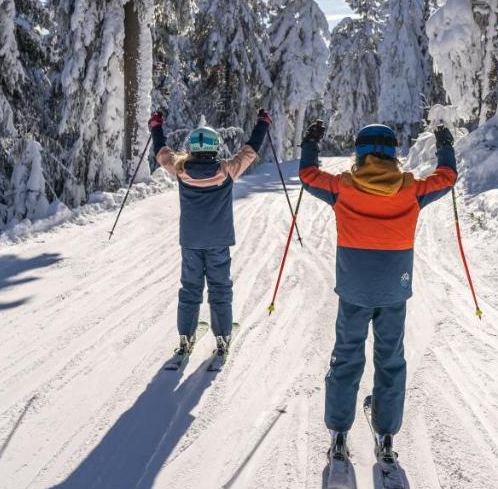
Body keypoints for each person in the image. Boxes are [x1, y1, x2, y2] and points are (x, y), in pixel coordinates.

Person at [298, 120, 457, 463]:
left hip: (354, 289)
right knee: (390, 359)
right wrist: (445, 146)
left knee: (347, 356)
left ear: (360, 152)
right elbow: (447, 178)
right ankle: (386, 434)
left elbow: (308, 175)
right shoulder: (411, 190)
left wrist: (310, 142)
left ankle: (339, 432)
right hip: (393, 290)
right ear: (393, 153)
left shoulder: (342, 187)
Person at [150, 109, 272, 360]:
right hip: (218, 241)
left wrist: (156, 127)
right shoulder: (226, 170)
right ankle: (223, 338)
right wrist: (262, 124)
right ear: (216, 148)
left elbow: (161, 154)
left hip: (191, 242)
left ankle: (185, 336)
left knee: (190, 288)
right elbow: (250, 151)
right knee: (219, 288)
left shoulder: (181, 170)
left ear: (191, 148)